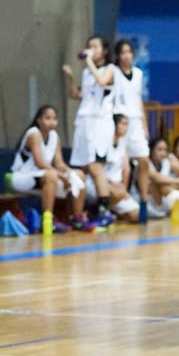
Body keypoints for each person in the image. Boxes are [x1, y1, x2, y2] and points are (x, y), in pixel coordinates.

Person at [10, 105, 94, 233]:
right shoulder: (34, 133)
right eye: (47, 118)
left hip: (43, 176)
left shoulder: (54, 136)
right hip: (21, 177)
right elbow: (40, 163)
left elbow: (59, 163)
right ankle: (47, 221)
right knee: (51, 176)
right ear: (39, 120)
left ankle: (77, 219)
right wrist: (61, 175)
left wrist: (70, 173)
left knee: (79, 175)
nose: (52, 122)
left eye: (54, 118)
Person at [63, 35, 116, 226]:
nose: (91, 50)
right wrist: (70, 78)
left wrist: (88, 62)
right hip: (84, 122)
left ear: (105, 51)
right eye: (89, 47)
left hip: (99, 123)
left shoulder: (110, 69)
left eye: (95, 47)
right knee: (82, 167)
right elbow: (77, 95)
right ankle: (79, 214)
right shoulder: (87, 73)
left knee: (96, 167)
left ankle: (104, 211)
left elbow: (102, 81)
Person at [113, 39, 151, 216]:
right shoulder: (112, 72)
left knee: (143, 160)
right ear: (117, 55)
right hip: (119, 120)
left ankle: (143, 200)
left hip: (136, 121)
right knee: (123, 164)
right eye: (122, 52)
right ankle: (120, 200)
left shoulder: (138, 73)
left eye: (128, 51)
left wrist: (144, 125)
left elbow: (139, 100)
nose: (125, 55)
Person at [85, 114, 139, 222]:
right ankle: (97, 213)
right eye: (122, 124)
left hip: (117, 188)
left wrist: (123, 187)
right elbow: (93, 168)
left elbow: (126, 169)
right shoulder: (102, 142)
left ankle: (105, 211)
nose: (125, 127)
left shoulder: (123, 143)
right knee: (116, 192)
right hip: (97, 185)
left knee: (136, 215)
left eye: (127, 124)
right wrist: (111, 183)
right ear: (113, 125)